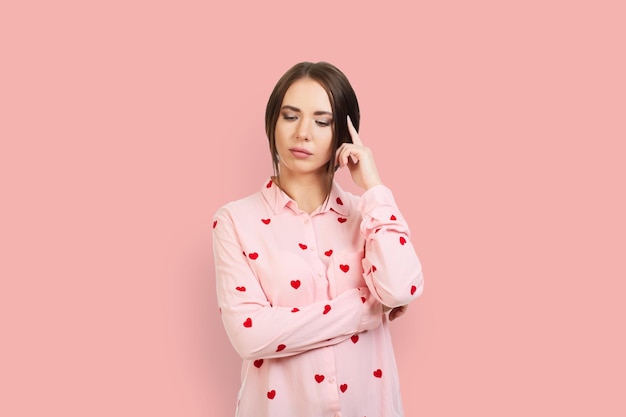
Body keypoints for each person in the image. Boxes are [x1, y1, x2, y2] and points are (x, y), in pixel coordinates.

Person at [212, 61, 424, 417]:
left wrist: (374, 186)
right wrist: (368, 307)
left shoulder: (369, 215)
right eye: (290, 116)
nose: (303, 133)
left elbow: (401, 288)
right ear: (272, 123)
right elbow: (250, 335)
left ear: (343, 133)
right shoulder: (236, 221)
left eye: (322, 121)